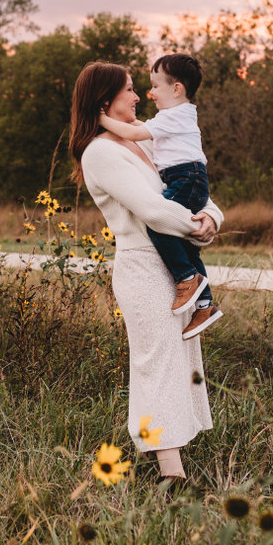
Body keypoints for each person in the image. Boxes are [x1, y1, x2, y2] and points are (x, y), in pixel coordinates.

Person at [71, 61, 223, 482]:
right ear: (105, 101)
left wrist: (212, 217)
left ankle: (176, 460)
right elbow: (155, 210)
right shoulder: (100, 152)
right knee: (156, 363)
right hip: (142, 268)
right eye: (130, 90)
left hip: (176, 266)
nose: (139, 97)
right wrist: (197, 226)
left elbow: (193, 184)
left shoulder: (149, 142)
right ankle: (170, 476)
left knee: (179, 360)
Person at [97, 53, 221, 339]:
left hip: (186, 177)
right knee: (187, 247)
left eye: (154, 86)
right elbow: (138, 129)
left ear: (176, 89)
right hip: (189, 178)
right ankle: (205, 303)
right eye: (132, 89)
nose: (147, 94)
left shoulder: (174, 116)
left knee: (161, 228)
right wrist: (199, 224)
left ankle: (187, 279)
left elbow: (135, 131)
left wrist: (101, 119)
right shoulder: (173, 116)